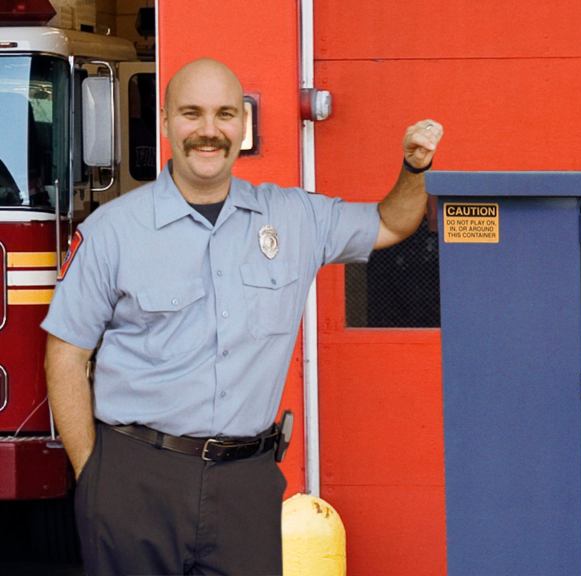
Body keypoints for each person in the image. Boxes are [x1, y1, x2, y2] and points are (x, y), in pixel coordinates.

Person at [42, 57, 443, 575]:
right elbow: (66, 354)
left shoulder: (295, 218)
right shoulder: (112, 231)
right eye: (192, 114)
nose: (209, 131)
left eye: (225, 114)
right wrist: (92, 474)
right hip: (135, 480)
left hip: (245, 486)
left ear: (243, 125)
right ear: (165, 123)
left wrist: (413, 169)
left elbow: (390, 222)